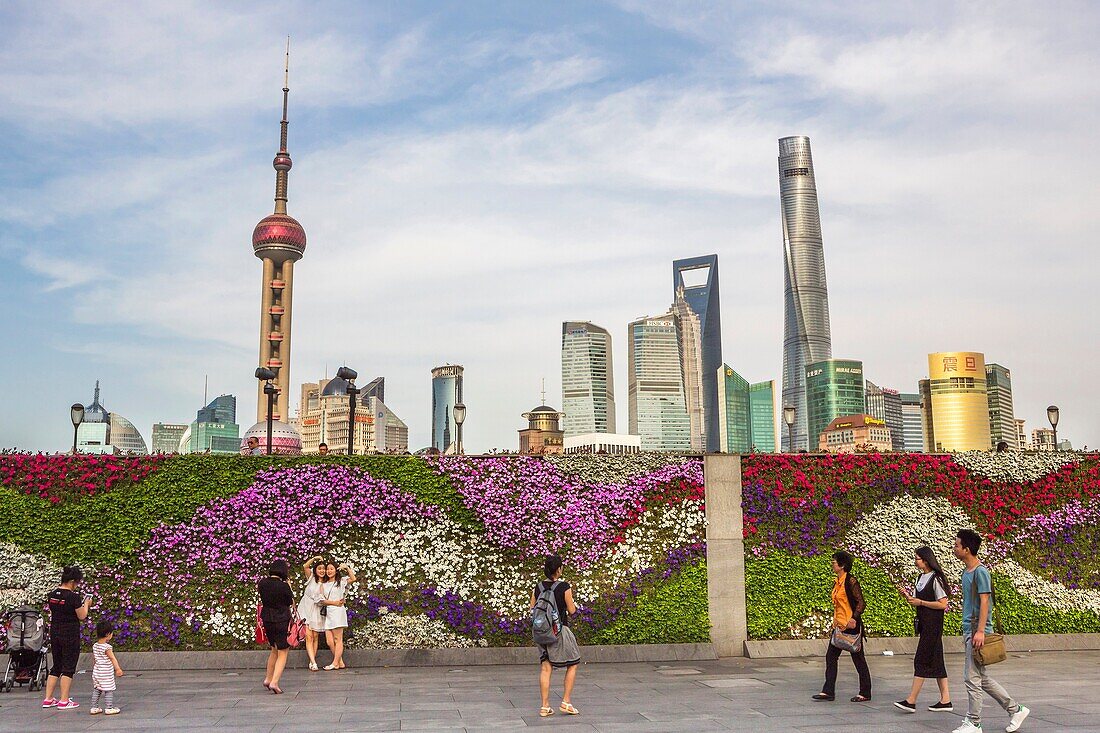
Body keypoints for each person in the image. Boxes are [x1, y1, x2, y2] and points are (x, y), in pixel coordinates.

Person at [952, 529, 1029, 733]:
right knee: (980, 678)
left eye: (957, 545)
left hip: (978, 631)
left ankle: (974, 722)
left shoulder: (980, 571)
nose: (954, 548)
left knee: (971, 678)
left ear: (967, 549)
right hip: (970, 629)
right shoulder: (966, 572)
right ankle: (1016, 710)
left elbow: (985, 601)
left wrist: (980, 632)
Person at [896, 546, 952, 714]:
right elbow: (917, 600)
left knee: (921, 660)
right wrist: (908, 597)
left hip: (933, 626)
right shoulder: (920, 578)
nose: (916, 561)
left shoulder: (936, 579)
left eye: (918, 558)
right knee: (937, 662)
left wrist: (921, 603)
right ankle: (946, 700)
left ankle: (911, 700)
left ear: (926, 560)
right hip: (924, 624)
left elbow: (943, 604)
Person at [813, 550, 872, 703]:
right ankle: (828, 691)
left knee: (858, 659)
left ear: (842, 565)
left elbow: (861, 602)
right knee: (831, 657)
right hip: (839, 626)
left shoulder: (850, 581)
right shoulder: (837, 582)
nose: (832, 564)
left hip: (850, 625)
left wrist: (854, 618)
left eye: (834, 562)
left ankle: (865, 692)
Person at [529, 554, 581, 718]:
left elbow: (533, 608)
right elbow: (572, 611)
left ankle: (545, 706)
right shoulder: (564, 587)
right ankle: (566, 701)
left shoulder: (538, 587)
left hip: (541, 631)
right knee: (573, 663)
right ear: (558, 570)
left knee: (546, 667)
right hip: (559, 631)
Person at [42, 566, 91, 710]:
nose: (76, 586)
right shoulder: (73, 597)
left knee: (56, 666)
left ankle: (48, 699)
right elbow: (82, 615)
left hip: (55, 632)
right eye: (76, 583)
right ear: (71, 581)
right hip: (69, 633)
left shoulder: (52, 595)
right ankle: (64, 700)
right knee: (68, 667)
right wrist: (86, 604)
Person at [258, 559, 295, 694]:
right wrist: (289, 587)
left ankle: (268, 679)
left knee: (274, 649)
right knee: (283, 651)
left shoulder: (262, 583)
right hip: (281, 619)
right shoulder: (283, 586)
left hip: (267, 618)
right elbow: (289, 602)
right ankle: (274, 682)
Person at [322, 561, 357, 670]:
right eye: (328, 569)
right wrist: (333, 602)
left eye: (331, 569)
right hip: (328, 612)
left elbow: (353, 578)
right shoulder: (324, 584)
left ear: (336, 570)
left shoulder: (341, 581)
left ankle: (335, 663)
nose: (329, 571)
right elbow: (321, 600)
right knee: (329, 641)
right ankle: (340, 661)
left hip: (337, 612)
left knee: (338, 639)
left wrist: (346, 568)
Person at [297, 556, 327, 671]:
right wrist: (314, 558)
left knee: (315, 636)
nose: (322, 571)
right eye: (319, 568)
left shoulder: (326, 583)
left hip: (317, 610)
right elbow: (305, 566)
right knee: (309, 636)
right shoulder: (311, 578)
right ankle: (314, 662)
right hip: (306, 608)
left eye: (323, 569)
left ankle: (312, 660)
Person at [89, 620, 123, 715]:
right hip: (106, 672)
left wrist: (95, 667)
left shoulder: (95, 646)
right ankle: (109, 707)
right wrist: (118, 669)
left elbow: (95, 659)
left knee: (97, 689)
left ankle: (94, 707)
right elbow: (112, 658)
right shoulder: (107, 647)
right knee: (109, 689)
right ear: (108, 634)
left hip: (97, 672)